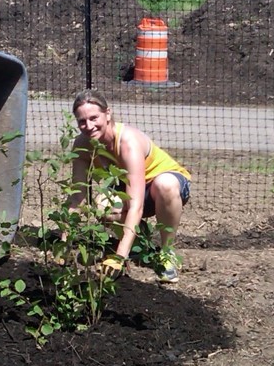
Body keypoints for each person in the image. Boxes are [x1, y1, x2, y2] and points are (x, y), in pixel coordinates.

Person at [67, 89, 191, 283]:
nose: (89, 126)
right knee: (103, 205)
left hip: (162, 189)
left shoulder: (127, 142)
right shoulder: (83, 145)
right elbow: (78, 196)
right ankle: (138, 243)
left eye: (94, 118)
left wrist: (119, 257)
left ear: (108, 114)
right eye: (82, 121)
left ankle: (167, 253)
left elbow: (136, 206)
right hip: (129, 192)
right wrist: (64, 243)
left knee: (165, 184)